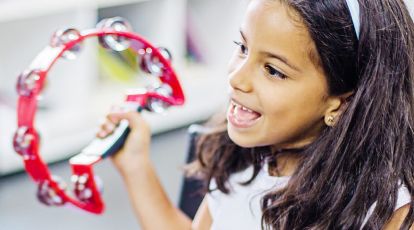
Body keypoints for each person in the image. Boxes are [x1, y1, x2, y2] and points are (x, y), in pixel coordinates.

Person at [97, 0, 414, 229]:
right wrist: (136, 166)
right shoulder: (241, 159)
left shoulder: (385, 211)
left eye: (273, 70)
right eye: (243, 47)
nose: (236, 77)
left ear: (340, 104)